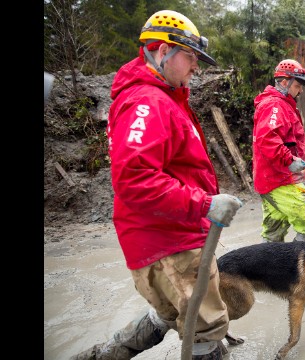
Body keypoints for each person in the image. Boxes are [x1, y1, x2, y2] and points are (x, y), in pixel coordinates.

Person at [71, 10, 243, 360]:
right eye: (191, 56)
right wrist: (203, 204)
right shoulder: (148, 103)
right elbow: (135, 179)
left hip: (162, 239)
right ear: (163, 50)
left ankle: (105, 355)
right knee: (205, 328)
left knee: (170, 313)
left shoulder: (160, 98)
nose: (196, 66)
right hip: (171, 242)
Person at [251, 59, 305, 243]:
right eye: (297, 85)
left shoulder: (282, 104)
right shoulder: (275, 105)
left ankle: (269, 270)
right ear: (284, 82)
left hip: (271, 179)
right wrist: (290, 160)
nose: (300, 90)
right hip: (282, 179)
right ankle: (298, 269)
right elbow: (267, 138)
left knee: (273, 232)